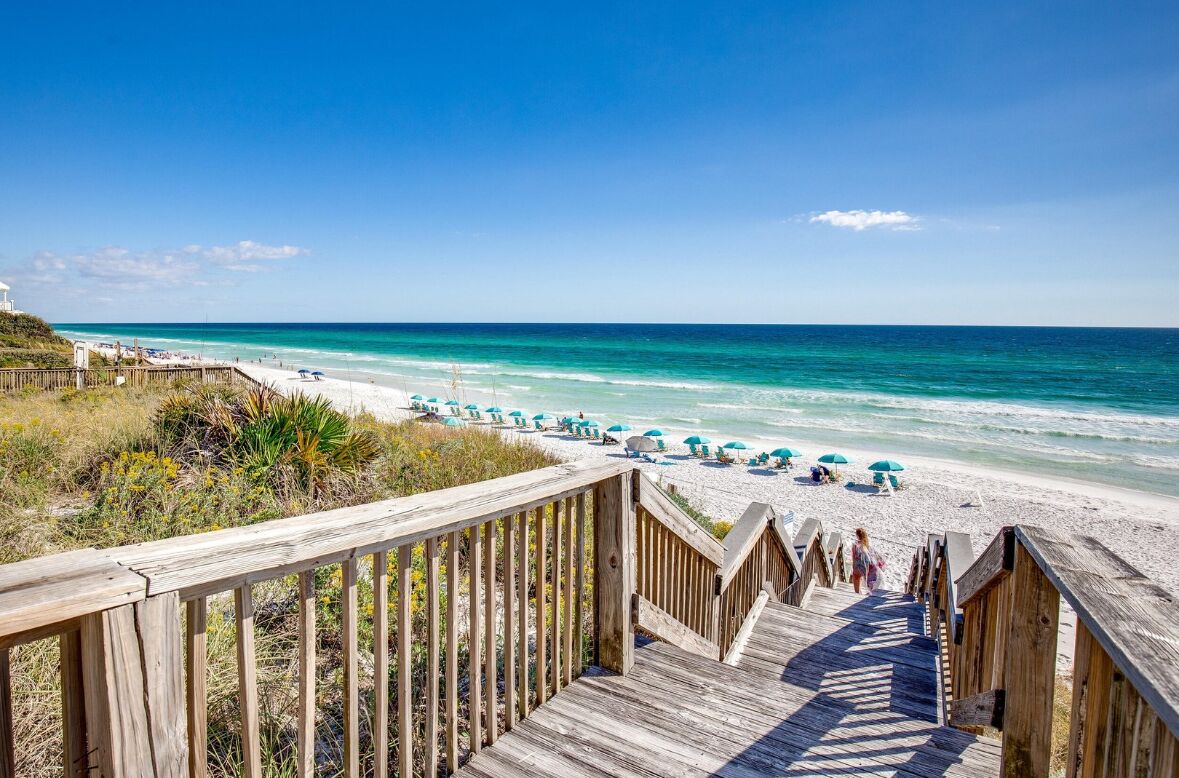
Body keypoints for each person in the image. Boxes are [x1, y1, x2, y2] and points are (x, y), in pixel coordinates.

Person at [851, 528, 886, 594]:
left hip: (872, 579)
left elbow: (856, 570)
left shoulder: (856, 547)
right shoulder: (870, 548)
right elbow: (882, 563)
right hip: (879, 577)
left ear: (857, 536)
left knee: (855, 574)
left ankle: (858, 593)